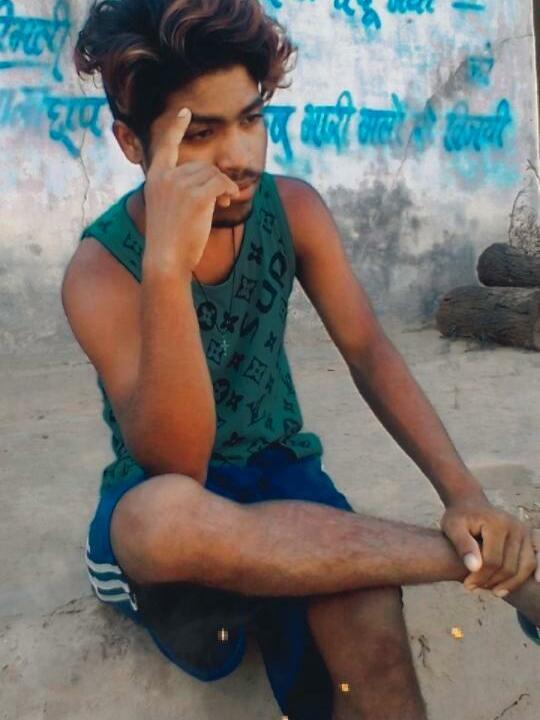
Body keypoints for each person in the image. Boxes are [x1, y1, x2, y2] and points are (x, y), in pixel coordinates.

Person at [61, 1, 540, 718]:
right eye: (201, 133)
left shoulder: (293, 211)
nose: (240, 156)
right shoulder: (102, 271)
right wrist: (165, 268)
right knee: (159, 518)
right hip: (174, 508)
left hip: (284, 481)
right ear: (133, 143)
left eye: (251, 119)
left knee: (372, 627)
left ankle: (462, 554)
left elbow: (369, 352)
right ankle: (491, 571)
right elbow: (178, 461)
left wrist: (464, 495)